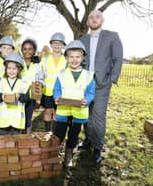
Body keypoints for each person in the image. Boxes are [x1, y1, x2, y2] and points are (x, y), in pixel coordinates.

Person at [79, 10, 123, 163]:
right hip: (84, 84)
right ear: (87, 22)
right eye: (91, 17)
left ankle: (97, 148)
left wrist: (112, 79)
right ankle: (88, 140)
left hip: (102, 84)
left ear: (102, 20)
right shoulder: (82, 39)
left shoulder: (112, 36)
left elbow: (118, 59)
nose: (94, 19)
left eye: (97, 16)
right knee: (86, 115)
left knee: (98, 117)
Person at [53, 40, 95, 167]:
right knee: (59, 133)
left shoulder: (88, 75)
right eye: (71, 56)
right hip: (63, 110)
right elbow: (56, 89)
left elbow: (91, 92)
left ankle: (69, 154)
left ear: (82, 58)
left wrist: (86, 100)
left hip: (79, 111)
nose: (74, 59)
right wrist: (57, 97)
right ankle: (54, 153)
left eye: (77, 56)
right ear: (66, 57)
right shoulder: (61, 74)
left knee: (73, 134)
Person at [0, 53, 30, 134]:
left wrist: (20, 96)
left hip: (17, 121)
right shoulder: (0, 82)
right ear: (5, 69)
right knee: (3, 143)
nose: (11, 71)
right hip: (3, 121)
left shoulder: (24, 84)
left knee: (15, 143)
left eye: (14, 69)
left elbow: (26, 99)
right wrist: (1, 97)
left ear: (19, 70)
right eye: (9, 68)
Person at [41, 32, 66, 132]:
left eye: (60, 43)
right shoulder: (45, 59)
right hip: (47, 91)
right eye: (55, 43)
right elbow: (40, 74)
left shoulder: (66, 60)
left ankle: (54, 133)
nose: (57, 45)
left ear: (63, 46)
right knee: (48, 111)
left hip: (60, 92)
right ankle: (47, 131)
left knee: (56, 112)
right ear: (51, 44)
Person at [0, 36, 15, 135]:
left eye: (9, 48)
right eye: (4, 47)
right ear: (0, 49)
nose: (6, 50)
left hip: (10, 93)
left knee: (8, 116)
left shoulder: (14, 62)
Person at [21, 38, 44, 133]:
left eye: (30, 49)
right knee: (19, 118)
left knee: (28, 118)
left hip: (31, 96)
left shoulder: (37, 65)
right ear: (21, 50)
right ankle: (19, 137)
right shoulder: (18, 62)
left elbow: (41, 79)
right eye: (25, 49)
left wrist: (40, 83)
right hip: (19, 95)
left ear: (34, 50)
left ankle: (27, 137)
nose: (27, 51)